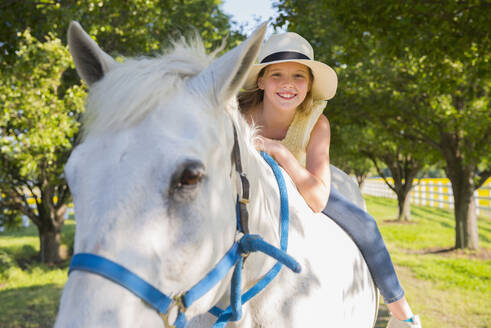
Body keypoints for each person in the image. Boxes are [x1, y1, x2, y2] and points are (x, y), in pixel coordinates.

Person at [238, 32, 422, 328]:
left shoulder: (315, 122)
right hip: (249, 188)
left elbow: (317, 197)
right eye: (276, 75)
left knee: (365, 225)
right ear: (261, 81)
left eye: (298, 75)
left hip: (300, 186)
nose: (288, 83)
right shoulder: (241, 116)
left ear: (309, 84)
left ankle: (401, 311)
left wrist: (279, 152)